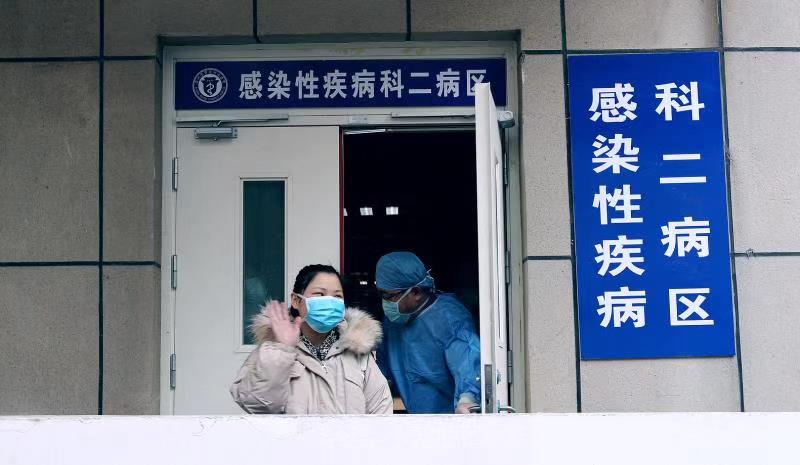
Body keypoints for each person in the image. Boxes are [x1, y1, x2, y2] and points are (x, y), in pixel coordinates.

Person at [231, 264, 393, 414]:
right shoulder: (272, 350)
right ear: (296, 300)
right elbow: (257, 405)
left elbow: (381, 412)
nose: (329, 302)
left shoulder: (359, 352)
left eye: (337, 296)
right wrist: (282, 349)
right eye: (320, 294)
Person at [375, 252, 481, 414]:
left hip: (451, 420)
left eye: (389, 296)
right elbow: (381, 372)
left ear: (416, 292)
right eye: (381, 294)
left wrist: (467, 400)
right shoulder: (393, 323)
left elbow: (468, 367)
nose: (385, 302)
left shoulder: (449, 319)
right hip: (417, 419)